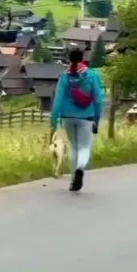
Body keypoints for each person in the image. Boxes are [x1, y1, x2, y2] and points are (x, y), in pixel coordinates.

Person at [50, 46, 103, 192]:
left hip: (68, 116)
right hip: (87, 117)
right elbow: (98, 100)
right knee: (85, 147)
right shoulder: (92, 76)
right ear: (82, 58)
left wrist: (54, 121)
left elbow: (58, 100)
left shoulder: (64, 77)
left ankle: (74, 179)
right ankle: (80, 169)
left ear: (69, 58)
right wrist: (97, 120)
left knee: (74, 147)